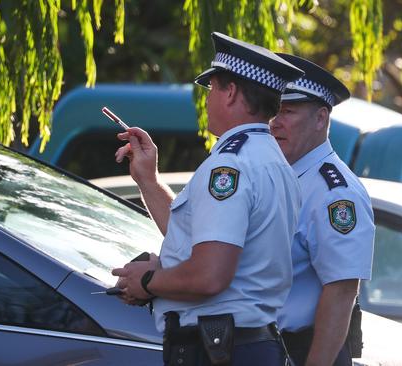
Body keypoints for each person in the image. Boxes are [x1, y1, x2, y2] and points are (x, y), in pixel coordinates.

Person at [111, 32, 304, 366]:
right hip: (243, 345)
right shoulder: (269, 158)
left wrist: (147, 281)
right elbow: (199, 240)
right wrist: (149, 180)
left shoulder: (230, 165)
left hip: (219, 351)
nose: (207, 99)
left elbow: (209, 275)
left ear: (230, 93)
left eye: (211, 88)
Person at [269, 54, 375, 366]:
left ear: (320, 119)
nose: (276, 121)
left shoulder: (335, 193)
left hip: (305, 352)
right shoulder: (281, 175)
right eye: (273, 111)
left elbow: (341, 292)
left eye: (288, 111)